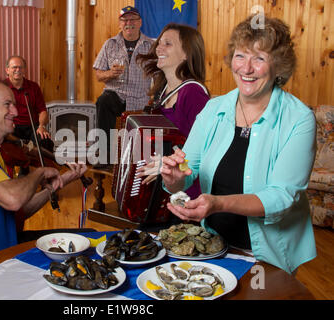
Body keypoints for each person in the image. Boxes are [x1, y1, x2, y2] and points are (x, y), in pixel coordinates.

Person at [160, 15, 317, 274]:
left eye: (260, 58)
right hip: (212, 246)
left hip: (268, 257)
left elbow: (281, 196)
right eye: (241, 56)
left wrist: (219, 203)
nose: (246, 68)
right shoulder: (214, 109)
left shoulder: (298, 119)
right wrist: (174, 179)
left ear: (278, 66)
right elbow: (188, 169)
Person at [0, 77, 87, 283]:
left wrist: (59, 183)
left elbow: (19, 211)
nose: (16, 111)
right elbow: (13, 199)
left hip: (0, 259)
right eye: (7, 104)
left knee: (84, 243)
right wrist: (39, 172)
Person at [136, 23, 210, 201]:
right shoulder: (162, 92)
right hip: (165, 189)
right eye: (159, 43)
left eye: (167, 44)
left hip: (189, 193)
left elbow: (205, 150)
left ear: (186, 53)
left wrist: (167, 164)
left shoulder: (193, 93)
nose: (158, 48)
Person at [93, 6, 154, 167]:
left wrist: (154, 95)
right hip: (116, 94)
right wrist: (110, 74)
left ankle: (140, 162)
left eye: (133, 19)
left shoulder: (151, 45)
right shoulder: (110, 44)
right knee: (103, 101)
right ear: (120, 24)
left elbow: (160, 73)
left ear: (140, 22)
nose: (129, 23)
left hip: (140, 98)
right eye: (125, 20)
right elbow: (99, 74)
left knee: (154, 111)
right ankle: (104, 156)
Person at [4, 55, 54, 152]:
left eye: (21, 67)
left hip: (32, 127)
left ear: (24, 70)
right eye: (14, 67)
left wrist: (41, 126)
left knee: (45, 140)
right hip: (12, 127)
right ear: (7, 70)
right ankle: (26, 156)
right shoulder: (1, 87)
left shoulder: (34, 87)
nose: (18, 70)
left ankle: (38, 162)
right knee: (6, 142)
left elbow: (42, 111)